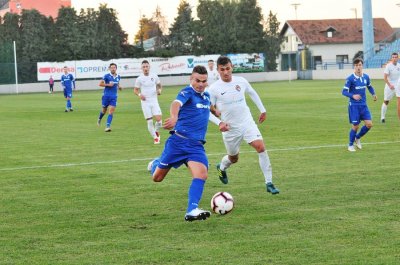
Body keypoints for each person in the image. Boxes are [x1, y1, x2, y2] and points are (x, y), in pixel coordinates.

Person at [147, 65, 226, 222]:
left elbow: (207, 106)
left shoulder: (206, 96)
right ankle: (156, 162)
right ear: (191, 79)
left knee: (202, 174)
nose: (201, 84)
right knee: (157, 178)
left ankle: (192, 210)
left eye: (204, 81)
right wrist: (174, 117)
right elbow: (176, 103)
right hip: (178, 143)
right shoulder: (186, 92)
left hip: (196, 146)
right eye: (197, 81)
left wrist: (216, 114)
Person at [208, 55, 280, 195]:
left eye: (228, 68)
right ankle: (221, 168)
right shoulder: (213, 88)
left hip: (247, 123)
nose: (226, 72)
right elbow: (207, 110)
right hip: (230, 128)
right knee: (233, 158)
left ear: (232, 67)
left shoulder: (241, 81)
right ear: (218, 70)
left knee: (261, 147)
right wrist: (220, 122)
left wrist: (262, 110)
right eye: (222, 69)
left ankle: (269, 183)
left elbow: (252, 93)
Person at [342, 58, 377, 152]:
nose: (358, 67)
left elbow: (369, 86)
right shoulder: (350, 79)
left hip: (363, 105)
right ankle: (350, 145)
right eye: (356, 65)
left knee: (369, 124)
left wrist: (373, 94)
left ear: (362, 66)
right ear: (354, 66)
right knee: (355, 126)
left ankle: (357, 137)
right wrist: (353, 95)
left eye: (360, 65)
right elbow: (344, 92)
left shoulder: (366, 77)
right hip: (354, 106)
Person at [134, 60, 163, 144]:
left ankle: (156, 131)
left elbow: (160, 86)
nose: (145, 68)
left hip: (154, 101)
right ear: (141, 68)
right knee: (150, 121)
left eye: (147, 66)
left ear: (149, 67)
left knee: (159, 121)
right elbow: (135, 90)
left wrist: (159, 91)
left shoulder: (154, 76)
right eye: (144, 67)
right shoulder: (139, 79)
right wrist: (139, 95)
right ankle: (155, 138)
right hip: (145, 103)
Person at [97, 63, 122, 132]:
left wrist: (119, 87)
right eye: (112, 67)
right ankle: (99, 119)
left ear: (116, 68)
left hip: (114, 97)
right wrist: (108, 85)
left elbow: (117, 83)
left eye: (114, 67)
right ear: (109, 68)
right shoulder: (106, 76)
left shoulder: (118, 76)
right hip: (106, 96)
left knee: (111, 111)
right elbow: (100, 84)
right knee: (104, 111)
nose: (113, 69)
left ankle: (107, 126)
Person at [380, 52, 400, 123]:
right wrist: (389, 85)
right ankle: (382, 117)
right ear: (391, 58)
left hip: (398, 86)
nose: (394, 58)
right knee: (386, 101)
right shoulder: (388, 66)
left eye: (396, 57)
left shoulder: (399, 65)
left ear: (398, 58)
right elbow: (385, 77)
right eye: (393, 57)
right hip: (389, 86)